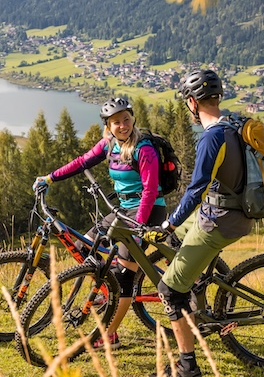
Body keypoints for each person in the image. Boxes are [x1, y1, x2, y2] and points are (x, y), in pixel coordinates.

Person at [33, 97, 167, 349]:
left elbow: (149, 191)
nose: (123, 125)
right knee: (86, 246)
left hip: (146, 210)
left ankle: (110, 334)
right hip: (123, 209)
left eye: (126, 119)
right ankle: (108, 290)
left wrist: (138, 228)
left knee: (125, 278)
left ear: (132, 119)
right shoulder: (109, 145)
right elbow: (82, 162)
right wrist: (49, 178)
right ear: (108, 126)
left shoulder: (143, 148)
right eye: (116, 122)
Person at [151, 68, 253, 377]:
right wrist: (173, 228)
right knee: (173, 242)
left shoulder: (211, 137)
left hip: (218, 221)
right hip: (232, 212)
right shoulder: (234, 124)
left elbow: (196, 189)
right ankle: (195, 292)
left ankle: (188, 370)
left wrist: (169, 220)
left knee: (169, 289)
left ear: (193, 103)